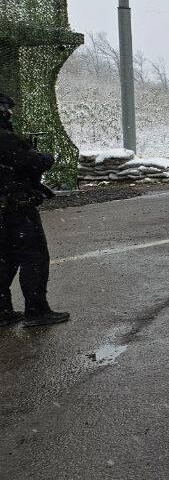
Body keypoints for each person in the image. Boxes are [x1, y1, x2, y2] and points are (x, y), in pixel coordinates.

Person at [0, 93, 69, 327]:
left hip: (4, 212)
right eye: (7, 109)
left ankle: (2, 311)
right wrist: (43, 156)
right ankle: (37, 311)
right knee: (34, 257)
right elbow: (33, 162)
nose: (10, 113)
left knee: (5, 259)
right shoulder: (5, 138)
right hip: (17, 209)